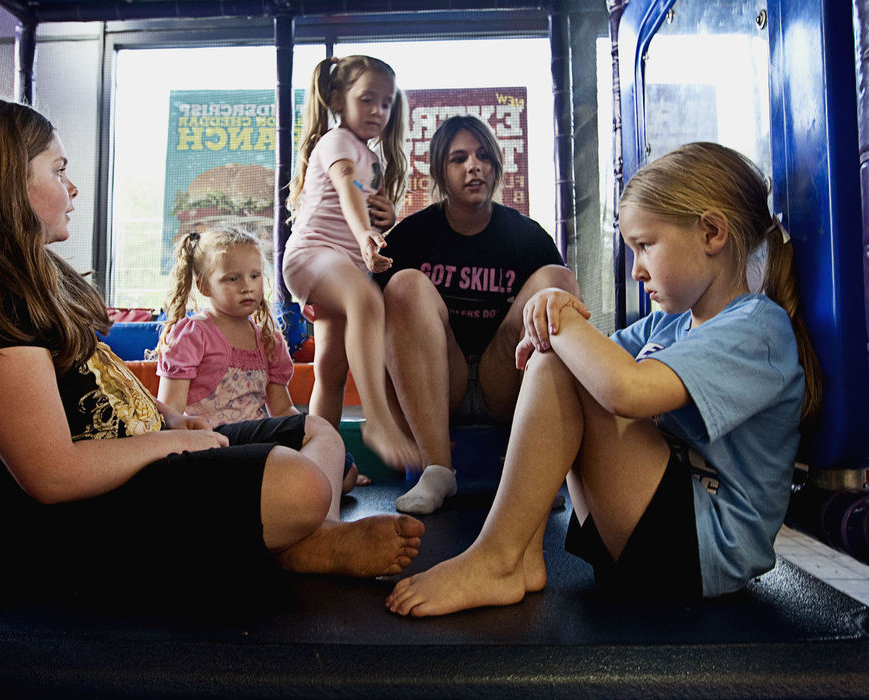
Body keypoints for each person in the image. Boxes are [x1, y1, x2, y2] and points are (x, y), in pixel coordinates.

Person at [0, 95, 423, 598]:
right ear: (3, 185)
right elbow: (52, 475)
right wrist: (177, 443)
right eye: (58, 170)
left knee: (318, 433)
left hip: (143, 462)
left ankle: (310, 539)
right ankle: (299, 535)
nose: (74, 187)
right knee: (301, 484)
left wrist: (169, 419)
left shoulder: (31, 288)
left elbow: (102, 390)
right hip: (93, 515)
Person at [385, 142, 822, 616]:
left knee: (568, 360)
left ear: (712, 233)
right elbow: (582, 366)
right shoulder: (667, 325)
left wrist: (560, 317)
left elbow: (625, 391)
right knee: (559, 359)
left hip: (705, 549)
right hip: (645, 532)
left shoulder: (757, 326)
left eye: (646, 245)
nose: (636, 270)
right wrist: (552, 330)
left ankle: (497, 558)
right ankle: (522, 552)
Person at [374, 115, 579, 514]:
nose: (474, 166)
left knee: (557, 282)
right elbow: (369, 332)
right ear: (440, 171)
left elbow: (567, 323)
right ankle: (437, 470)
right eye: (459, 158)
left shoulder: (526, 236)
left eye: (484, 156)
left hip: (503, 381)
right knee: (403, 285)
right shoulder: (413, 235)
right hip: (436, 383)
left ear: (496, 167)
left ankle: (533, 468)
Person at [283, 55, 420, 471]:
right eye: (368, 100)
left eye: (386, 103)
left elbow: (361, 199)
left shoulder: (370, 158)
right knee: (366, 300)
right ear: (338, 100)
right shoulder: (338, 141)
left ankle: (322, 467)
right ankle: (377, 420)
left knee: (331, 371)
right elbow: (345, 190)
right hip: (312, 255)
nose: (378, 112)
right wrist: (364, 235)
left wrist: (386, 220)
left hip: (342, 264)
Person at [152, 226, 361, 493]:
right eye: (232, 279)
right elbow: (171, 410)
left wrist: (313, 444)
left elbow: (282, 409)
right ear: (204, 286)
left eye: (254, 276)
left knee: (347, 473)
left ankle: (295, 490)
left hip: (259, 440)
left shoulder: (267, 340)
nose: (247, 287)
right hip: (214, 444)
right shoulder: (193, 335)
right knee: (320, 474)